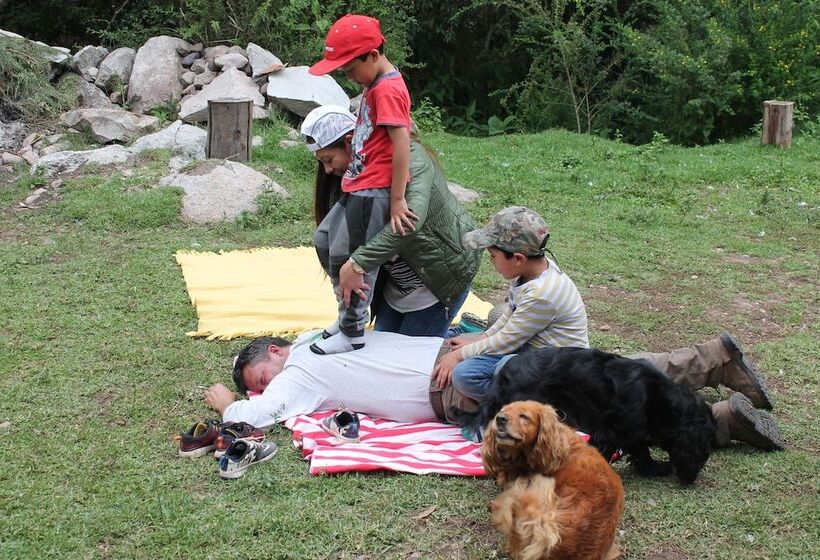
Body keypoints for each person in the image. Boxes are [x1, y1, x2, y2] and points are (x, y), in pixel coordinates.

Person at [203, 331, 784, 451]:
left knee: (600, 388)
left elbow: (255, 416)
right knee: (595, 388)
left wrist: (230, 404)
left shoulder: (303, 365)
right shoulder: (328, 330)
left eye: (262, 376)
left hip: (458, 386)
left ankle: (713, 363)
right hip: (459, 362)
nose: (269, 389)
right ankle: (720, 418)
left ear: (276, 353)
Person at [300, 105, 480, 338]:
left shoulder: (413, 160)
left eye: (328, 159)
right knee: (382, 348)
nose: (327, 169)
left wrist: (357, 263)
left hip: (438, 277)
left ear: (350, 141)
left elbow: (410, 222)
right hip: (398, 284)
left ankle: (465, 337)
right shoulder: (357, 171)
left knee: (408, 359)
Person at [306, 14, 414, 355]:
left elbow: (402, 144)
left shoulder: (390, 89)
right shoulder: (374, 86)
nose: (348, 77)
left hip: (375, 191)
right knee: (323, 240)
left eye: (350, 69)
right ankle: (345, 314)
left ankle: (353, 330)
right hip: (358, 185)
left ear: (371, 55)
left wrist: (396, 199)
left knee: (348, 256)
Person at [433, 206, 588, 400]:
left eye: (493, 256)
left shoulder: (541, 295)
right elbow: (509, 313)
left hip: (559, 370)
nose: (492, 263)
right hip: (530, 352)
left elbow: (507, 340)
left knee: (484, 371)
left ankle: (533, 408)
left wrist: (460, 355)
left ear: (518, 258)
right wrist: (481, 337)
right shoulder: (529, 273)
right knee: (475, 362)